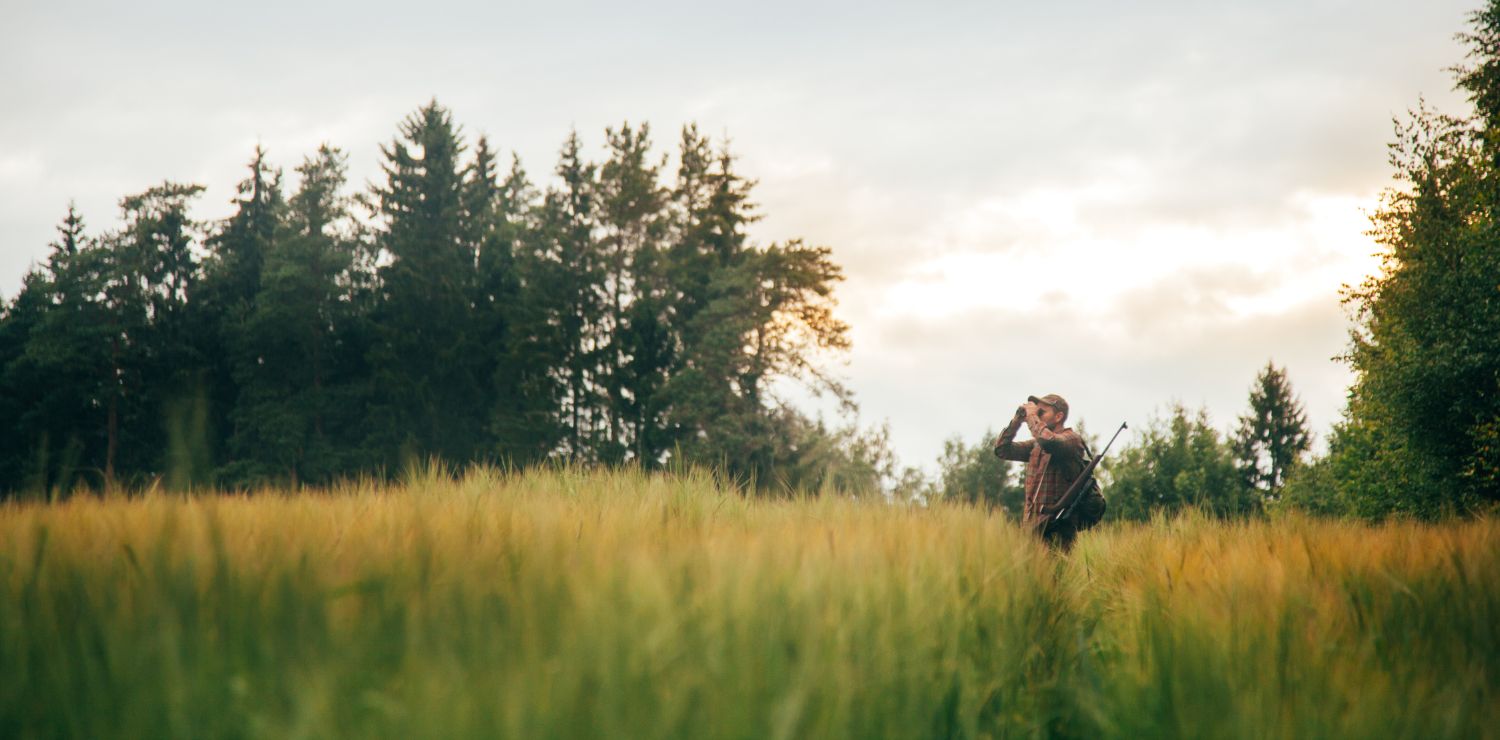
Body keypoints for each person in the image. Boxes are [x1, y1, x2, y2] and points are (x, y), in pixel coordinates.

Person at [993, 393, 1087, 550]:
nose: (1037, 415)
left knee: (1058, 573)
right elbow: (1002, 450)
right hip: (1032, 527)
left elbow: (1049, 441)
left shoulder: (1071, 440)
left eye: (1042, 412)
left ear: (1059, 416)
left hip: (1058, 528)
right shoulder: (1037, 446)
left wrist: (1031, 416)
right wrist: (1017, 420)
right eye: (1037, 412)